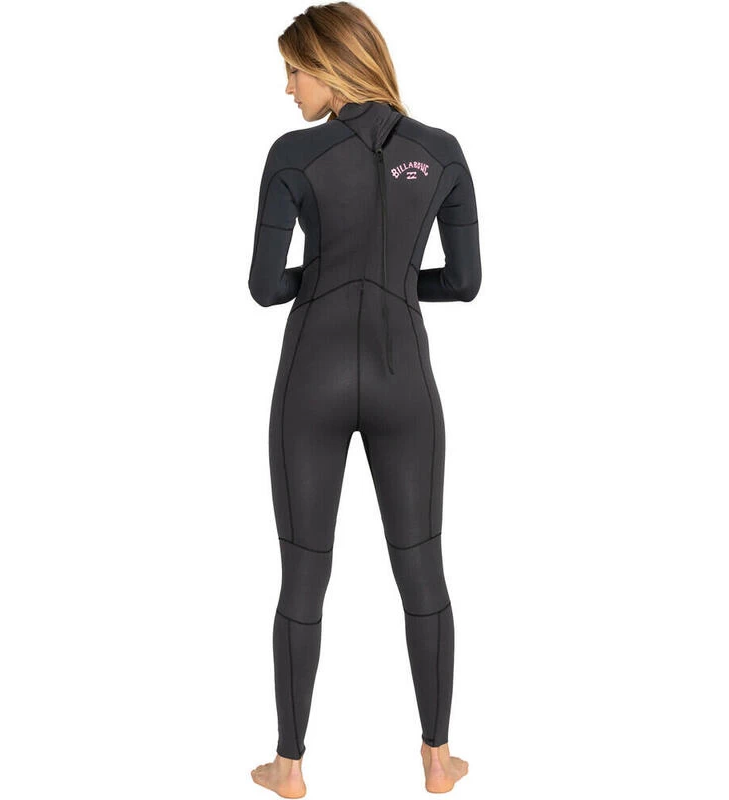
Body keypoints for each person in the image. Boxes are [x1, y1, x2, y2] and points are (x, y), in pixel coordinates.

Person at [248, 3, 480, 796]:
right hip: (402, 379)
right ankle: (438, 760)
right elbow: (465, 282)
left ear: (332, 66)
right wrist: (390, 282)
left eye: (294, 70)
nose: (287, 88)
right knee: (423, 570)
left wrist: (329, 277)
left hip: (311, 378)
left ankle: (288, 767)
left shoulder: (293, 154)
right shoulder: (441, 152)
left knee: (303, 575)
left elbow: (264, 287)